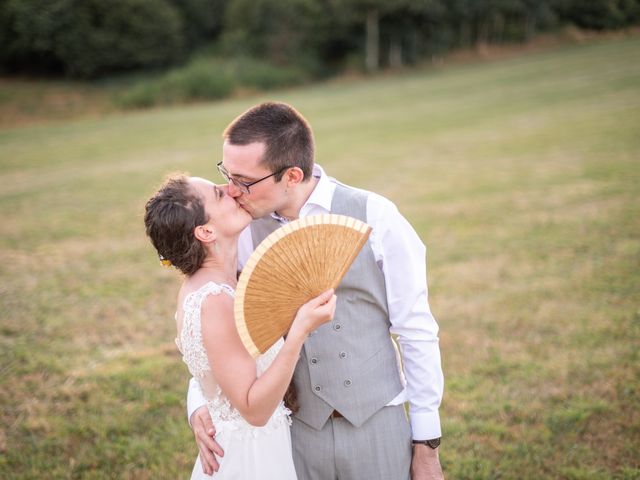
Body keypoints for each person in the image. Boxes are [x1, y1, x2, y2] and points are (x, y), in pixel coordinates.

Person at [189, 102, 445, 480]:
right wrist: (199, 404)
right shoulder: (240, 235)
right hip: (292, 434)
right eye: (227, 174)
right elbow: (216, 329)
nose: (231, 191)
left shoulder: (375, 215)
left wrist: (427, 444)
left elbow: (416, 330)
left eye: (244, 181)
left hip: (377, 425)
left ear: (291, 175)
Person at [144, 174, 337, 479]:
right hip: (250, 458)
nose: (231, 190)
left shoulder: (210, 285)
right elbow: (254, 409)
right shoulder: (217, 301)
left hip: (256, 445)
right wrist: (298, 331)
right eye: (219, 195)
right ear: (206, 231)